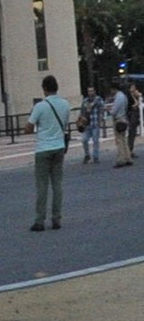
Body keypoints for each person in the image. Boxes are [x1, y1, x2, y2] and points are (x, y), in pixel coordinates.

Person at [28, 75, 71, 232]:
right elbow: (65, 123)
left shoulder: (40, 106)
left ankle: (40, 220)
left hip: (43, 148)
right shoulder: (65, 104)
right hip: (59, 146)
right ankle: (56, 219)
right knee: (57, 184)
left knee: (42, 186)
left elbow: (28, 127)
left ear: (44, 89)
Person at [79, 86, 104, 164]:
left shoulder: (98, 100)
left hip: (95, 123)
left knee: (95, 141)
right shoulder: (85, 101)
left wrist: (100, 121)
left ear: (94, 91)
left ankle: (95, 157)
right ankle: (87, 155)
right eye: (89, 91)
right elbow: (82, 112)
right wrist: (81, 121)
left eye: (92, 91)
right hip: (87, 124)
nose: (90, 93)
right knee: (84, 140)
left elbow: (101, 111)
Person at [109, 83, 132, 168]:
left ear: (114, 89)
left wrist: (109, 111)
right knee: (124, 140)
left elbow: (114, 111)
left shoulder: (118, 98)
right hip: (124, 118)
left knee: (119, 141)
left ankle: (121, 159)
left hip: (118, 119)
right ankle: (128, 157)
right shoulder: (124, 97)